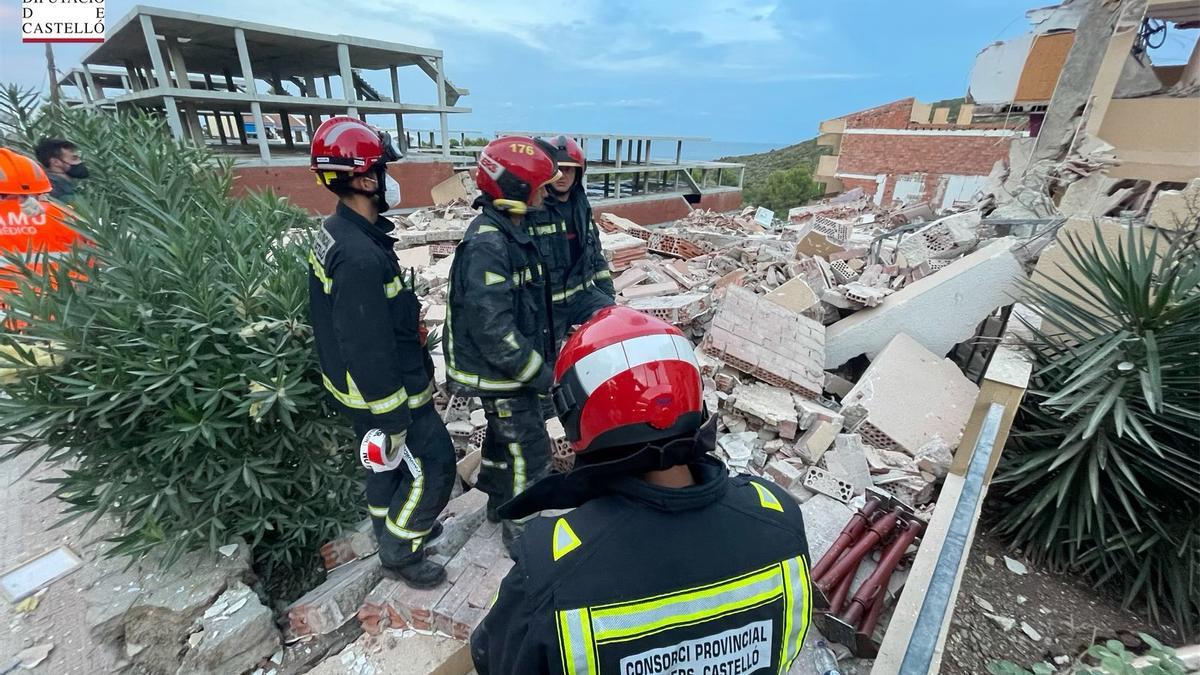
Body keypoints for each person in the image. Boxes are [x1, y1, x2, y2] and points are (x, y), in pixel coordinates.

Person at [470, 305, 814, 674]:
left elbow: (491, 657)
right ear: (694, 401)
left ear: (576, 416)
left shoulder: (550, 570)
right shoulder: (779, 520)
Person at [306, 116, 456, 588]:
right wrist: (393, 417)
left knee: (385, 467)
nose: (391, 179)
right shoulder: (359, 256)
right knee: (435, 468)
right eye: (385, 169)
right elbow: (367, 343)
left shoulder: (338, 232)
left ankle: (389, 526)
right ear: (365, 178)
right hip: (387, 395)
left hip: (359, 391)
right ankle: (400, 549)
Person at [445, 136, 561, 556]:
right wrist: (543, 377)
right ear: (514, 189)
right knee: (527, 451)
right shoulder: (488, 245)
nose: (547, 192)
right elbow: (494, 329)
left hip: (505, 368)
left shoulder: (511, 233)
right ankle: (522, 527)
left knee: (501, 439)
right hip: (498, 372)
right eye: (540, 185)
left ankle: (497, 500)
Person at [528, 134, 614, 349]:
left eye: (568, 169)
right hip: (547, 304)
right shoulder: (534, 209)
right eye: (557, 169)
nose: (562, 176)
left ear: (578, 172)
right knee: (547, 360)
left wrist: (607, 294)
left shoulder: (581, 206)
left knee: (614, 324)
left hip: (582, 295)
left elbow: (595, 253)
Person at [34, 138, 88, 204]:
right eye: (74, 158)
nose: (80, 162)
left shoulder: (60, 186)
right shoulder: (54, 192)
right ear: (56, 162)